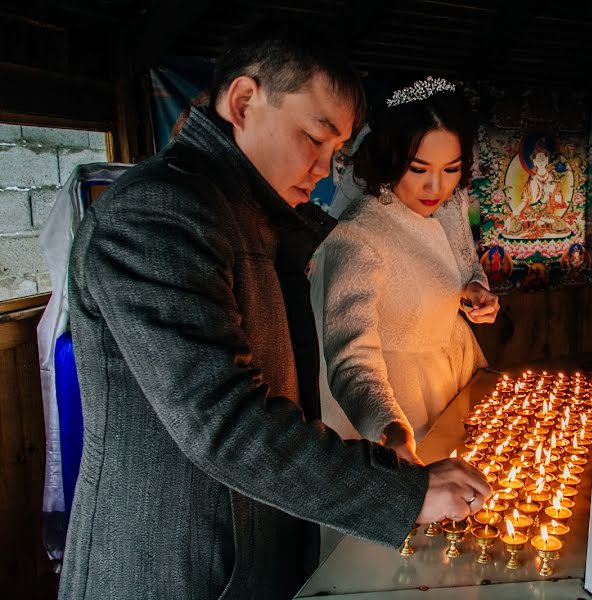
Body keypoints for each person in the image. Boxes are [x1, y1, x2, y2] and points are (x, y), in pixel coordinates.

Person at [59, 23, 490, 600]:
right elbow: (225, 420)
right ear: (243, 101)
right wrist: (405, 492)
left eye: (336, 150)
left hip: (260, 544)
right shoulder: (157, 214)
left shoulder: (255, 218)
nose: (321, 168)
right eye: (314, 139)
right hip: (178, 562)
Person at [310, 78, 500, 465]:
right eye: (418, 169)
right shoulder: (357, 237)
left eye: (451, 170)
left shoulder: (429, 215)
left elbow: (447, 274)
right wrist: (389, 429)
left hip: (447, 392)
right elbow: (350, 357)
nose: (437, 187)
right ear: (390, 157)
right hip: (394, 412)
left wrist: (472, 292)